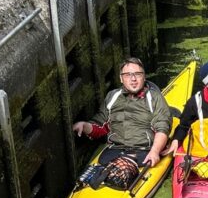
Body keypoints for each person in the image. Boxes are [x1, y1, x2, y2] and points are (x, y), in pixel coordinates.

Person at [72, 58, 173, 188]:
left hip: (144, 151)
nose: (133, 79)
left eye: (138, 74)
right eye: (128, 75)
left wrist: (155, 151)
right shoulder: (112, 96)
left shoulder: (154, 98)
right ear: (121, 78)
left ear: (143, 77)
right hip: (115, 151)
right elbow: (101, 125)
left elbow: (162, 127)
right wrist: (84, 126)